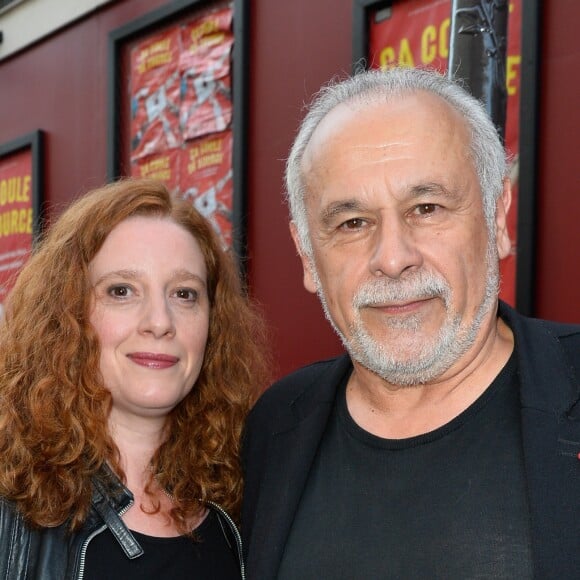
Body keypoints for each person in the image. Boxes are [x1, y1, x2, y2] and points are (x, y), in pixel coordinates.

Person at [241, 67, 580, 579]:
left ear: (498, 220)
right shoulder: (273, 429)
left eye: (427, 207)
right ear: (307, 256)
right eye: (352, 223)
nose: (393, 258)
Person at [0, 178, 268, 579]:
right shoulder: (10, 504)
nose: (160, 322)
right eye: (122, 291)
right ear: (66, 315)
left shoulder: (251, 497)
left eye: (184, 294)